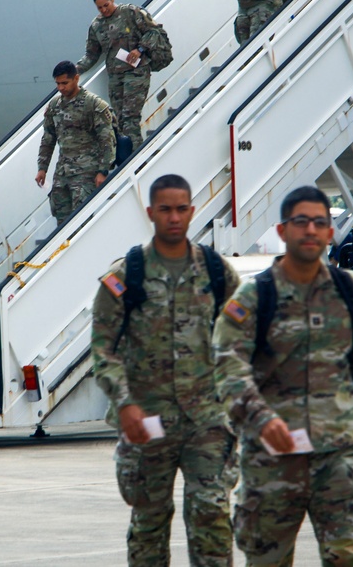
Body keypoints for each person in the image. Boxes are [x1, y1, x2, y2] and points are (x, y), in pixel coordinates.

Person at [213, 186, 353, 566]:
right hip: (272, 461)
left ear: (330, 232)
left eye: (320, 222)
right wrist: (261, 418)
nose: (310, 230)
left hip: (338, 457)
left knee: (351, 558)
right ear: (282, 231)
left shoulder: (352, 292)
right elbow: (228, 370)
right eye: (300, 222)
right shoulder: (253, 298)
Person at [90, 174, 241, 566]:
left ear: (191, 211)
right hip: (147, 420)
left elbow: (245, 341)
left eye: (181, 209)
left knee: (211, 514)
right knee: (149, 521)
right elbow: (103, 350)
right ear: (151, 213)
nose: (174, 217)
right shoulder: (125, 276)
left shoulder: (217, 272)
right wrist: (124, 404)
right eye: (165, 210)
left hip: (206, 420)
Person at [75, 0, 161, 150]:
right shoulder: (96, 25)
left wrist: (140, 49)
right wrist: (76, 69)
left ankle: (136, 161)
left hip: (136, 72)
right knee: (119, 120)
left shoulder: (130, 12)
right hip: (115, 77)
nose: (104, 10)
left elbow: (154, 31)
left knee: (130, 119)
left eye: (106, 5)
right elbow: (92, 55)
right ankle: (130, 157)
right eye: (99, 7)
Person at [36, 60, 116, 226]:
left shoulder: (93, 104)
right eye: (58, 84)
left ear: (76, 79)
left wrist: (103, 170)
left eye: (65, 83)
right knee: (62, 222)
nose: (61, 88)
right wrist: (42, 168)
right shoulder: (54, 106)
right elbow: (48, 138)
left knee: (82, 220)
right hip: (62, 173)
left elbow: (107, 139)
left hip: (86, 172)